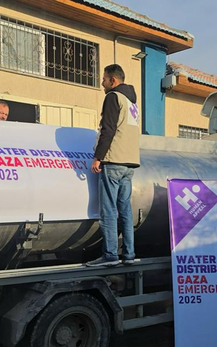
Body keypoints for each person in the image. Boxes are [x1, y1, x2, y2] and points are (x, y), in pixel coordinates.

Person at [86, 64, 141, 267]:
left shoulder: (113, 97)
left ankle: (110, 255)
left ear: (113, 80)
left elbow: (108, 130)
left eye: (104, 79)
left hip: (114, 160)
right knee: (125, 209)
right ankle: (129, 254)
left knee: (108, 209)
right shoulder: (132, 102)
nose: (102, 82)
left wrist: (97, 157)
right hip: (130, 162)